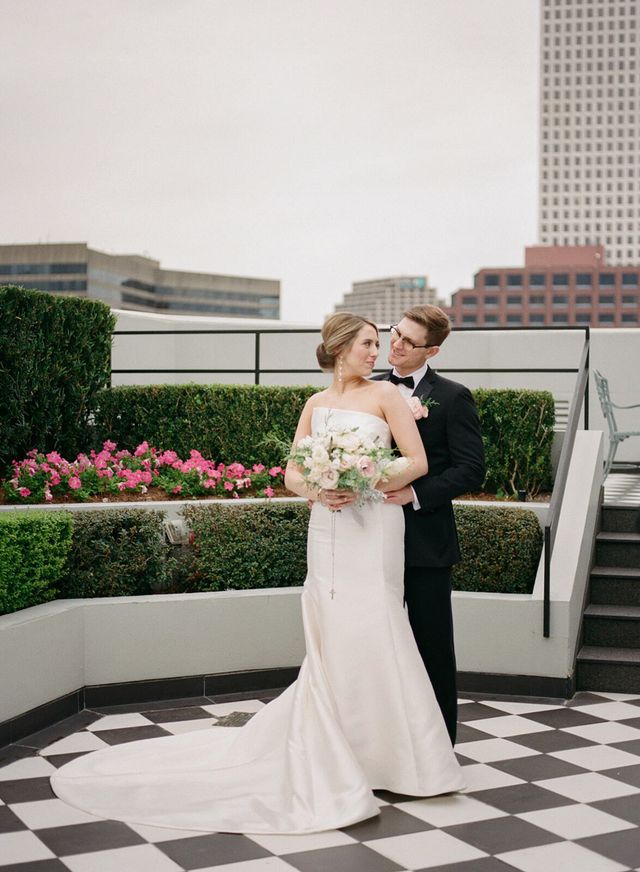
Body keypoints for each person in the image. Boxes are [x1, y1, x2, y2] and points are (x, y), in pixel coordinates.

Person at [50, 312, 463, 835]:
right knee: (333, 630)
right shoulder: (314, 404)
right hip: (328, 527)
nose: (375, 353)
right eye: (367, 343)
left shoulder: (386, 398)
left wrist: (363, 477)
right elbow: (292, 471)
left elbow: (418, 461)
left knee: (377, 624)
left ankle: (397, 757)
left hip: (373, 525)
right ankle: (337, 746)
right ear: (339, 348)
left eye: (378, 344)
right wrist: (319, 487)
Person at [372, 305, 485, 745]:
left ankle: (438, 746)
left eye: (408, 341)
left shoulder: (454, 397)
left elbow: (471, 469)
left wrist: (415, 495)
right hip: (372, 537)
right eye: (395, 333)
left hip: (426, 542)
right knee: (378, 644)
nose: (395, 344)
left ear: (432, 350)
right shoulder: (369, 391)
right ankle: (385, 743)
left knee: (432, 647)